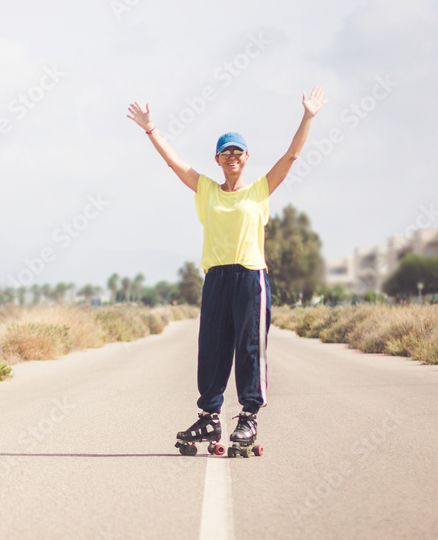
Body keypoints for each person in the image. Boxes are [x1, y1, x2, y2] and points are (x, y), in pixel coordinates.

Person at [126, 88, 327, 454]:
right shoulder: (207, 191)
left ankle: (249, 415)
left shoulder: (260, 190)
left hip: (251, 277)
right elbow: (175, 163)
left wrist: (308, 116)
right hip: (216, 277)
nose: (232, 156)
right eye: (226, 152)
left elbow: (292, 155)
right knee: (212, 348)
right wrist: (150, 128)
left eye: (238, 151)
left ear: (247, 158)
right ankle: (210, 417)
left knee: (249, 348)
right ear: (217, 159)